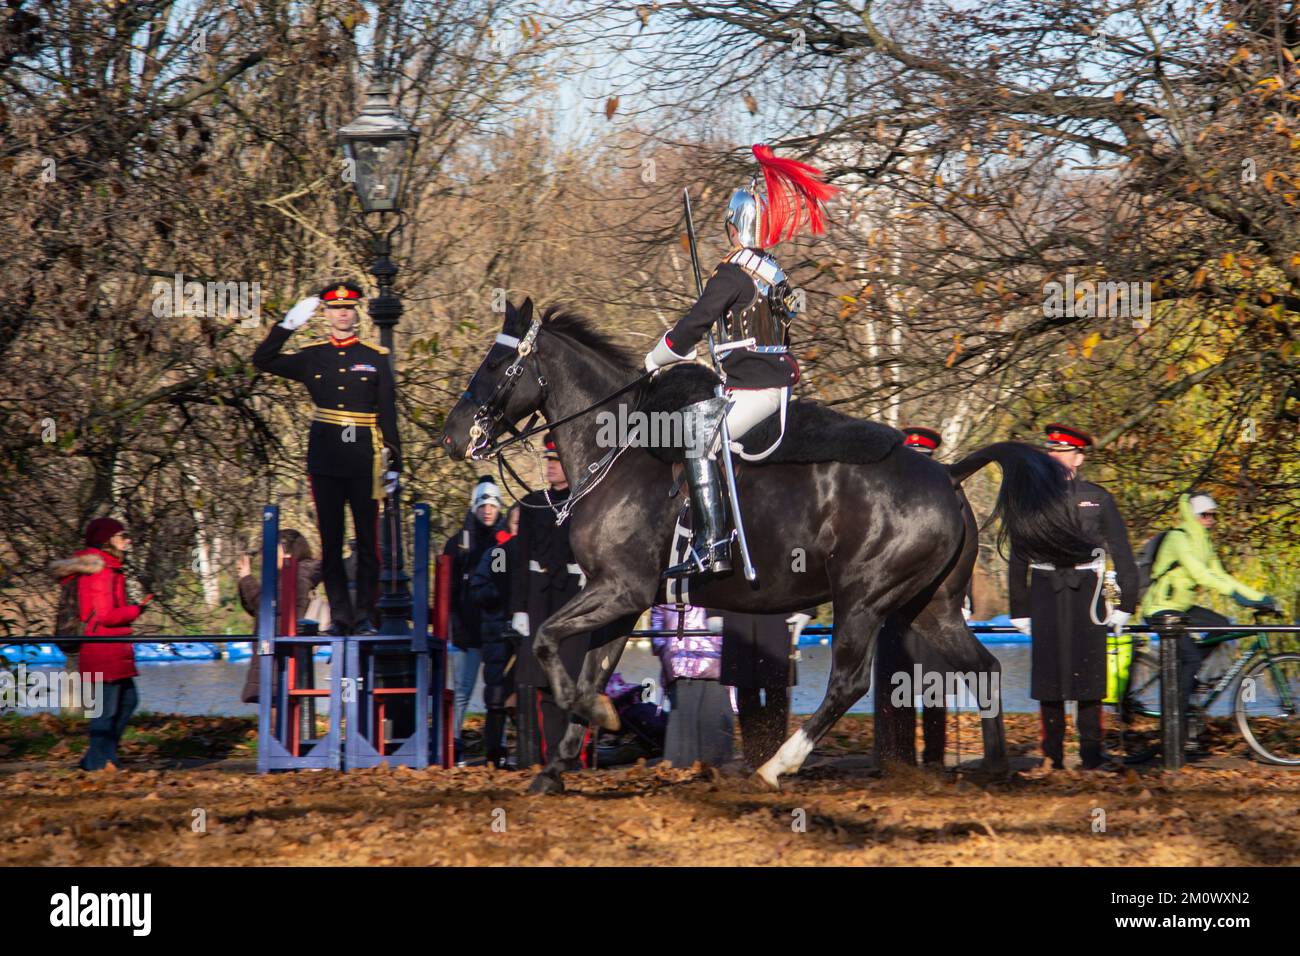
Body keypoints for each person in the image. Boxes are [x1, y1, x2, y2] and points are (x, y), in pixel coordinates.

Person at [644, 144, 837, 580]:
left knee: (697, 437)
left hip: (754, 389)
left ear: (734, 227)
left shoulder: (731, 272)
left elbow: (692, 324)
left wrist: (657, 357)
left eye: (728, 226)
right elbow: (776, 320)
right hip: (769, 382)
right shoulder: (774, 272)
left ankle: (711, 543)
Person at [252, 281, 401, 636]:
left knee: (368, 543)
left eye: (347, 308)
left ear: (356, 313)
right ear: (327, 314)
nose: (342, 313)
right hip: (326, 458)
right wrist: (287, 325)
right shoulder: (314, 356)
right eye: (335, 308)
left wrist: (395, 463)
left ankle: (364, 616)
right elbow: (263, 360)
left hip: (365, 458)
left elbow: (388, 414)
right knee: (331, 543)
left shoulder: (374, 357)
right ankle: (341, 616)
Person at [1008, 423, 1139, 770]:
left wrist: (1127, 604)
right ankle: (1052, 757)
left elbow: (1123, 553)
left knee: (1090, 679)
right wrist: (1019, 608)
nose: (1054, 456)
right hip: (1045, 590)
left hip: (1088, 592)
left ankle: (1091, 758)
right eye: (1050, 451)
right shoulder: (1031, 500)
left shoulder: (1098, 497)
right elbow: (1019, 554)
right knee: (1048, 681)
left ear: (1078, 458)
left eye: (1063, 451)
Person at [1140, 492, 1277, 745]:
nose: (1210, 520)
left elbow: (1221, 575)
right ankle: (1177, 728)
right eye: (1205, 515)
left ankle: (1190, 677)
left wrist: (1259, 598)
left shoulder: (1204, 541)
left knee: (1222, 626)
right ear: (1193, 516)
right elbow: (1200, 574)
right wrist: (1237, 595)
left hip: (1182, 607)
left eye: (1213, 515)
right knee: (1190, 658)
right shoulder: (1178, 538)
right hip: (1160, 607)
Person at [508, 435, 592, 768]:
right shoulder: (532, 503)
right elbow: (520, 558)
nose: (552, 467)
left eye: (557, 461)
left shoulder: (585, 502)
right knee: (543, 681)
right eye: (549, 461)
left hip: (572, 594)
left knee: (571, 679)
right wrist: (519, 609)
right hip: (539, 598)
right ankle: (552, 755)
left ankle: (574, 755)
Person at [50, 518, 151, 771]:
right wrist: (136, 610)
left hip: (112, 648)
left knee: (128, 701)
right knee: (106, 710)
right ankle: (99, 763)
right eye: (121, 535)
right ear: (107, 540)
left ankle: (99, 758)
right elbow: (104, 615)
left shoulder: (110, 568)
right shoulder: (102, 571)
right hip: (103, 647)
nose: (127, 540)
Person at [875, 425, 948, 766]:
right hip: (894, 609)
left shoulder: (950, 501)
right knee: (896, 689)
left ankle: (934, 759)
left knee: (934, 690)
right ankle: (898, 760)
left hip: (934, 607)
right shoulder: (883, 506)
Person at [442, 476, 506, 758]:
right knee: (462, 689)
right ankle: (451, 741)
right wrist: (455, 629)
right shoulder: (457, 545)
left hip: (497, 632)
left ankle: (498, 743)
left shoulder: (507, 542)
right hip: (467, 633)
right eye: (482, 505)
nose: (488, 510)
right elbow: (450, 592)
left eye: (493, 505)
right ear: (474, 507)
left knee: (498, 693)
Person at [236, 528, 324, 704]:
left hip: (280, 658)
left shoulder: (296, 578)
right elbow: (260, 608)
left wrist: (246, 578)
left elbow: (267, 606)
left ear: (286, 551)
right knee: (275, 710)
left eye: (272, 550)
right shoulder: (290, 577)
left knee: (277, 710)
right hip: (279, 654)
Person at [717, 610, 804, 767]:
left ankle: (775, 754)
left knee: (777, 692)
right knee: (746, 692)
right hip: (738, 615)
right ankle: (753, 755)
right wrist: (713, 610)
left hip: (778, 614)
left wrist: (806, 610)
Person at [470, 504, 521, 768]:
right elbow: (480, 589)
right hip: (498, 633)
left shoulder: (535, 555)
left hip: (524, 636)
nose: (520, 529)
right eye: (516, 523)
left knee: (524, 696)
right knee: (497, 698)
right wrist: (499, 596)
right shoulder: (497, 554)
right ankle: (494, 754)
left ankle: (526, 752)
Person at [650, 603, 733, 767]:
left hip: (699, 657)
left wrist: (663, 647)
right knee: (692, 714)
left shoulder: (669, 586)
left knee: (708, 713)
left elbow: (657, 625)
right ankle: (709, 764)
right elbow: (657, 623)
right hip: (686, 657)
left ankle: (694, 764)